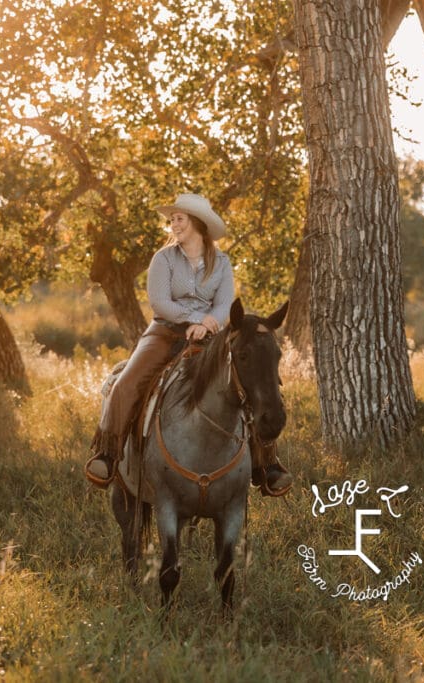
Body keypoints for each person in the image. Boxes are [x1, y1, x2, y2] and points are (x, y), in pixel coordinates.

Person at [84, 193, 293, 496]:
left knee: (248, 381)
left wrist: (208, 323)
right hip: (164, 332)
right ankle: (108, 453)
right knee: (127, 382)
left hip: (209, 337)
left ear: (197, 223)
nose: (173, 224)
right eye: (172, 219)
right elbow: (160, 302)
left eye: (179, 218)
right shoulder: (163, 259)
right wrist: (195, 318)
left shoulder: (221, 263)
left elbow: (224, 305)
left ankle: (266, 465)